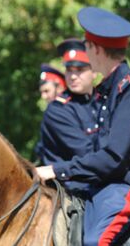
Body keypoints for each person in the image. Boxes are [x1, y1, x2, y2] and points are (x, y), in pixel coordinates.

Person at [36, 7, 130, 246]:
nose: (85, 52)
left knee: (93, 241)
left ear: (96, 49)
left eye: (87, 46)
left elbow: (112, 158)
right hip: (116, 182)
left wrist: (57, 170)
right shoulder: (113, 89)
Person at [38, 38, 97, 193]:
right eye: (69, 70)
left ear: (95, 71)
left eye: (80, 69)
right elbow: (88, 154)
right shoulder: (57, 110)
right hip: (73, 190)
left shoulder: (103, 101)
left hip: (99, 182)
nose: (72, 76)